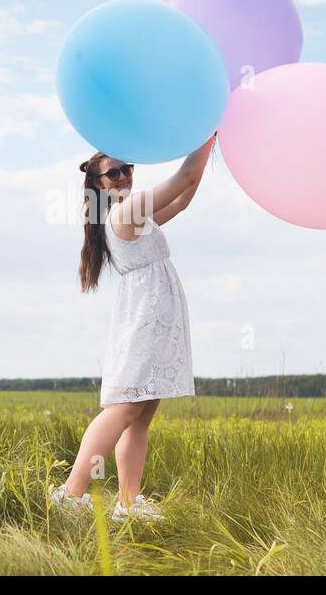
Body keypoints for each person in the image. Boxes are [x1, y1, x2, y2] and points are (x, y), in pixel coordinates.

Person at [51, 132, 216, 522]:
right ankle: (70, 495)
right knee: (122, 409)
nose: (124, 177)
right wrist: (207, 132)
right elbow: (186, 178)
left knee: (140, 415)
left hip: (156, 315)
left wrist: (209, 143)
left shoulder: (134, 214)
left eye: (128, 169)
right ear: (98, 184)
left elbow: (185, 198)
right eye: (114, 173)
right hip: (145, 317)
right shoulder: (124, 213)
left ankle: (127, 504)